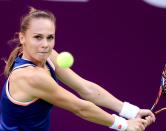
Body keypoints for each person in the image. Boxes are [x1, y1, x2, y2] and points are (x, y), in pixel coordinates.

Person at [0, 7, 155, 131]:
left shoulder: (47, 56)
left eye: (50, 37)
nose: (45, 44)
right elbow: (80, 108)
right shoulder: (30, 77)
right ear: (22, 38)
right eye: (38, 37)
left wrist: (131, 111)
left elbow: (86, 89)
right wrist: (124, 125)